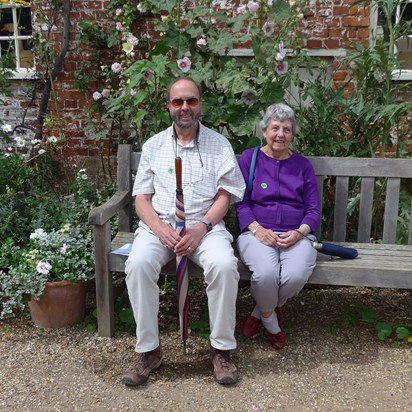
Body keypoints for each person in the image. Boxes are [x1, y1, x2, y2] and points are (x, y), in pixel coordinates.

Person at [122, 77, 245, 387]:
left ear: (200, 103)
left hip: (205, 226)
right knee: (137, 264)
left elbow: (225, 195)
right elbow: (141, 199)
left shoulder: (219, 145)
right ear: (169, 106)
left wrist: (201, 228)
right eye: (178, 102)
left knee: (225, 265)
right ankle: (150, 351)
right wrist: (161, 230)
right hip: (160, 225)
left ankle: (221, 350)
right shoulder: (154, 146)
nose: (185, 107)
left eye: (191, 100)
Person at [234, 103, 320, 350]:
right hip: (256, 232)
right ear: (264, 131)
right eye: (275, 128)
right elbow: (241, 203)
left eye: (287, 129)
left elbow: (313, 210)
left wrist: (299, 233)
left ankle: (260, 311)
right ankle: (272, 323)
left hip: (297, 235)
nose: (280, 134)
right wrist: (257, 229)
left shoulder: (303, 166)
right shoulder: (250, 159)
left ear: (292, 134)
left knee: (294, 276)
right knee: (266, 274)